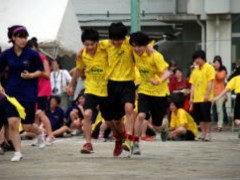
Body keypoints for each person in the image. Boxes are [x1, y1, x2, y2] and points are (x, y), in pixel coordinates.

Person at [0, 25, 45, 160]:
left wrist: (31, 75)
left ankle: (40, 132)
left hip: (29, 93)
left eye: (25, 37)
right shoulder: (6, 54)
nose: (23, 40)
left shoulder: (32, 54)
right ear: (13, 38)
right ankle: (18, 152)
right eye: (20, 37)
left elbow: (41, 71)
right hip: (12, 93)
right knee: (13, 122)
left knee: (26, 126)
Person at [68, 29, 110, 154]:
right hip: (91, 88)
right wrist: (71, 84)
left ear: (97, 42)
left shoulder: (104, 49)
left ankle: (120, 138)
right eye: (86, 45)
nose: (90, 47)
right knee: (87, 114)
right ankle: (88, 143)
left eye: (92, 44)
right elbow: (78, 70)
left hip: (107, 89)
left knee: (110, 120)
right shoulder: (83, 54)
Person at [129, 31, 171, 155]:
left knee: (157, 125)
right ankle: (135, 143)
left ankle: (164, 126)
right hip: (144, 89)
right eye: (134, 46)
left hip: (159, 92)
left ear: (145, 45)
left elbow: (167, 73)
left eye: (139, 46)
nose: (136, 49)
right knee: (141, 115)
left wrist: (158, 80)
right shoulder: (134, 52)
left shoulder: (155, 56)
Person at [27, 37, 54, 144]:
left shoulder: (42, 58)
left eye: (33, 49)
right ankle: (40, 137)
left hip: (43, 90)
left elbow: (47, 75)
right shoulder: (29, 61)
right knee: (36, 115)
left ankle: (51, 135)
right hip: (34, 90)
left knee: (41, 113)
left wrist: (36, 73)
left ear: (37, 48)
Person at [189, 50, 215, 141]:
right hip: (196, 98)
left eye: (197, 59)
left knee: (206, 116)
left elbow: (210, 82)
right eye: (195, 59)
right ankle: (203, 133)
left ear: (202, 58)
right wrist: (191, 98)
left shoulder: (209, 68)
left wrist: (207, 94)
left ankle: (208, 134)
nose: (196, 61)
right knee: (199, 117)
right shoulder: (195, 70)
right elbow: (192, 84)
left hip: (205, 98)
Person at [212, 56, 228, 131]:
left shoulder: (223, 70)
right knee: (211, 109)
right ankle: (214, 123)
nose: (216, 64)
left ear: (220, 63)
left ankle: (220, 125)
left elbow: (220, 77)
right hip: (212, 92)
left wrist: (214, 71)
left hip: (220, 92)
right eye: (215, 63)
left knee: (219, 109)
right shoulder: (212, 70)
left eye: (217, 63)